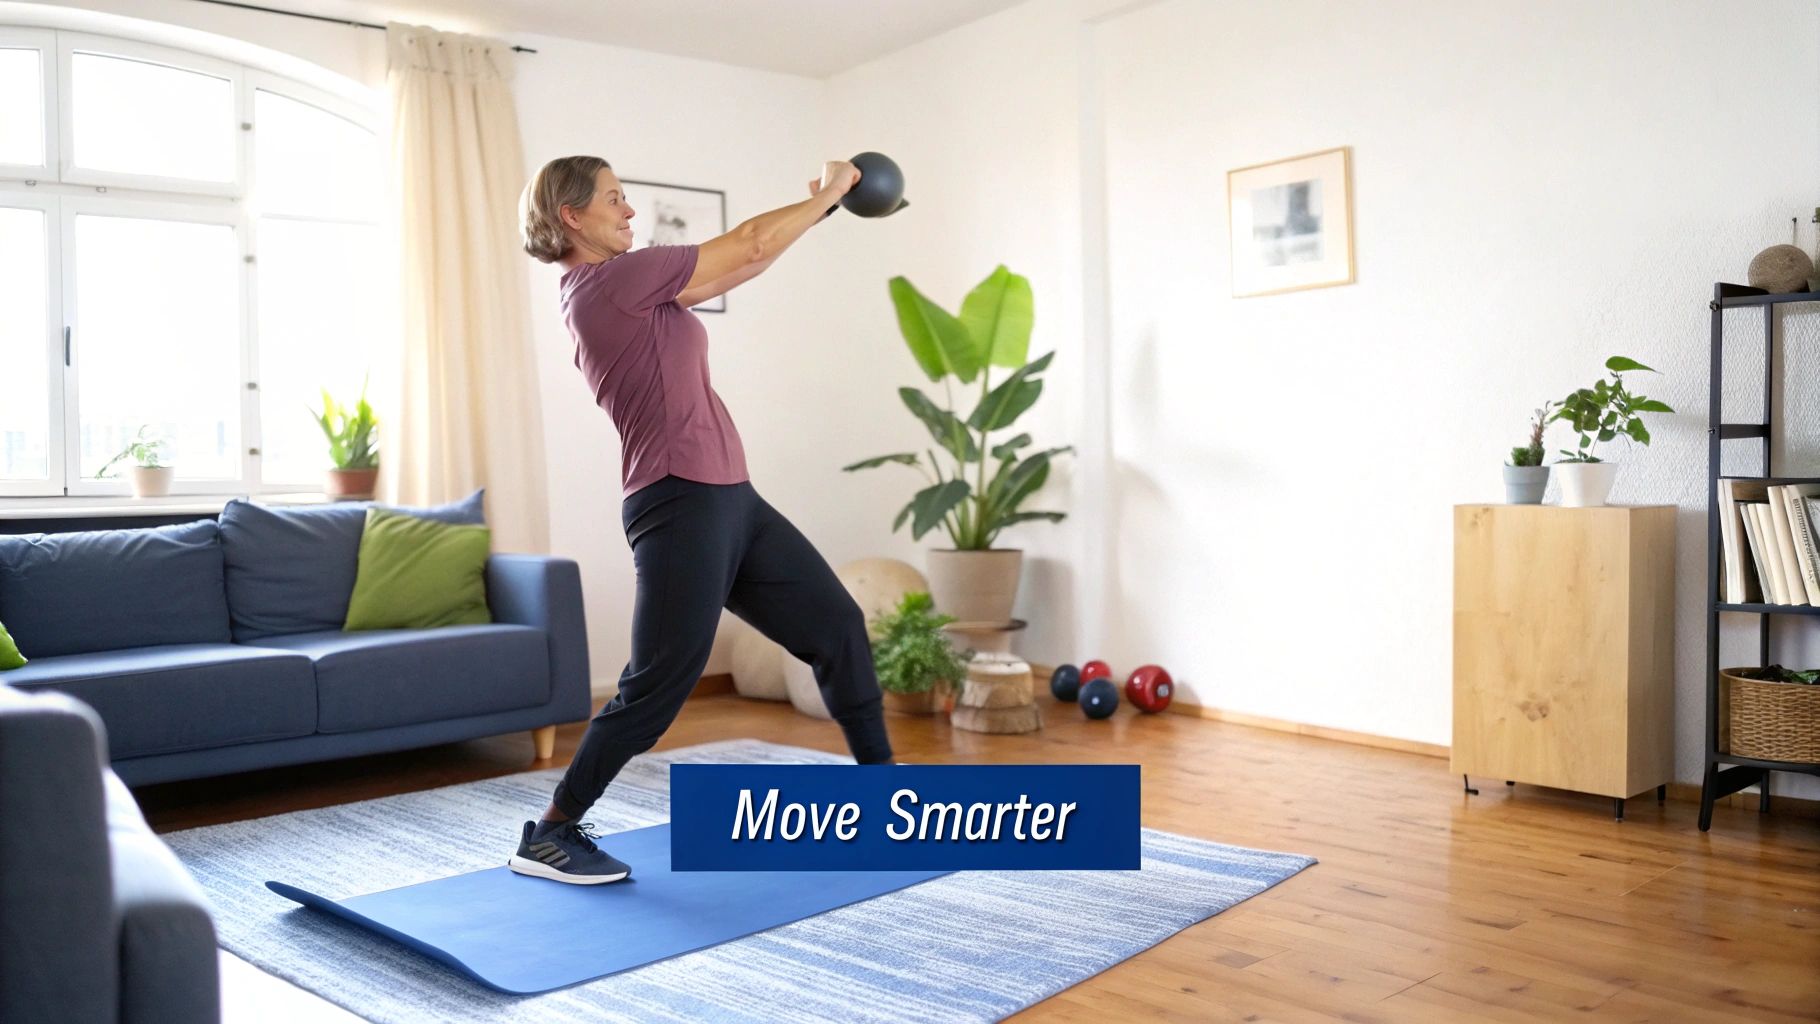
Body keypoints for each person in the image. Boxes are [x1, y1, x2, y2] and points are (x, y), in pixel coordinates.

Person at [510, 155, 894, 884]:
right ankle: (552, 831)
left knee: (836, 628)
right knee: (658, 684)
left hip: (731, 496)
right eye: (614, 200)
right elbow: (747, 242)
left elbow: (736, 269)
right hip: (679, 501)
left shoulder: (637, 290)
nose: (629, 212)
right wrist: (834, 190)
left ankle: (887, 801)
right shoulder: (608, 283)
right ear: (572, 217)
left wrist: (823, 212)